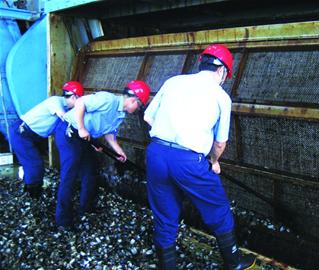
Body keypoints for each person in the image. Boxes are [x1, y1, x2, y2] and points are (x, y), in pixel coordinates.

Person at [144, 44, 256, 270]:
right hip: (188, 162)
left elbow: (148, 116)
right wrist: (214, 162)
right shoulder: (221, 97)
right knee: (218, 209)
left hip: (156, 153)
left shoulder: (173, 82)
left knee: (165, 214)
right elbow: (220, 142)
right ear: (222, 71)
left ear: (202, 63)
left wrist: (169, 137)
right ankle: (233, 263)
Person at [54, 80, 151, 230]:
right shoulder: (108, 99)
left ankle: (86, 207)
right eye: (139, 106)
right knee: (69, 176)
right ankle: (63, 220)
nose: (138, 109)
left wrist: (118, 150)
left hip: (84, 137)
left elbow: (109, 134)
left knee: (91, 172)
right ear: (133, 100)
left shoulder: (120, 115)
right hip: (69, 132)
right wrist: (81, 128)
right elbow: (80, 103)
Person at [9, 81, 84, 198]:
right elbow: (64, 117)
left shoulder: (67, 108)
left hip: (35, 136)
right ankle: (33, 195)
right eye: (80, 100)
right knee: (34, 164)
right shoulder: (55, 101)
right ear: (74, 97)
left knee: (33, 164)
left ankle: (29, 186)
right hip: (22, 133)